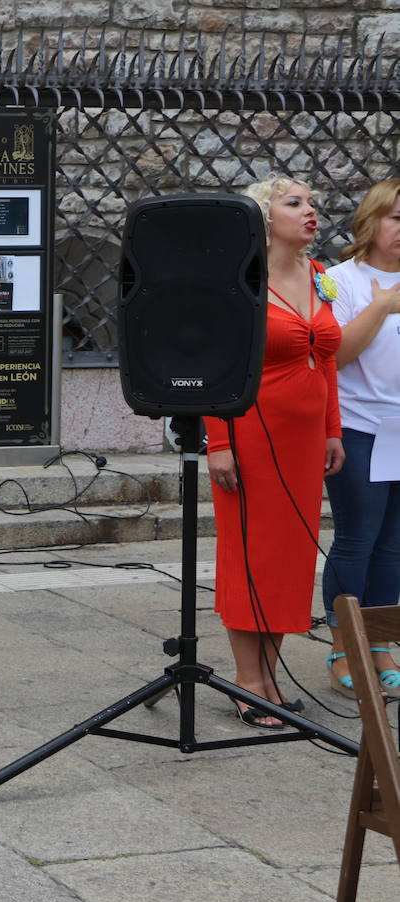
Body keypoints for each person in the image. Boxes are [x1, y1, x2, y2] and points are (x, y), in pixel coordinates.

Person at [205, 175, 345, 729]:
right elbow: (217, 363)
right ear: (264, 219)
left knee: (290, 559)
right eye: (295, 203)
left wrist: (332, 430)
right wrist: (218, 442)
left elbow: (327, 359)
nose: (311, 211)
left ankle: (269, 674)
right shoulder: (240, 281)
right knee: (251, 556)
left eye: (312, 203)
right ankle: (248, 680)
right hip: (250, 435)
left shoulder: (318, 275)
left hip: (306, 440)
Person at [321, 179, 400, 699]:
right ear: (372, 221)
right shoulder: (340, 279)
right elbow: (336, 353)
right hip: (359, 426)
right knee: (357, 539)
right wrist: (384, 306)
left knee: (394, 548)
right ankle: (342, 647)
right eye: (397, 219)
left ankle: (381, 646)